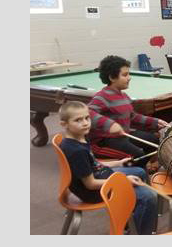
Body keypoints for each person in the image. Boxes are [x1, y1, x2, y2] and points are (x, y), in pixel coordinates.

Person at [58, 101, 158, 235]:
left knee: (139, 171)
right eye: (78, 120)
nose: (85, 123)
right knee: (148, 197)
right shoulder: (76, 151)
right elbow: (91, 184)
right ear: (64, 124)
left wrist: (118, 163)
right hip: (93, 192)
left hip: (100, 175)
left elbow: (94, 163)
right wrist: (124, 181)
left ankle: (131, 220)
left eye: (87, 118)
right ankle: (140, 233)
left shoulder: (79, 138)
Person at [88, 55, 168, 168]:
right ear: (112, 77)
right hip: (103, 142)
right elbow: (88, 113)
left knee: (154, 141)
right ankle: (132, 176)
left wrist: (155, 121)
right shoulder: (102, 97)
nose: (129, 78)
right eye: (125, 75)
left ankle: (139, 170)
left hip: (122, 136)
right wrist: (110, 125)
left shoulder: (124, 96)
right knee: (136, 154)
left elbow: (132, 116)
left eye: (129, 74)